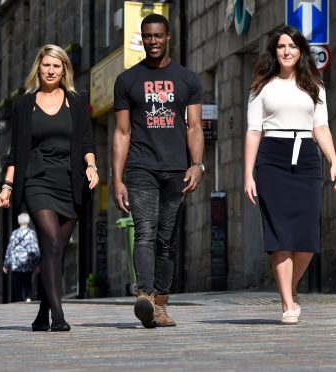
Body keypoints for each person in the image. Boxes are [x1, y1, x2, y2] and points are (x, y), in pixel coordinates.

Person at [244, 26, 336, 325]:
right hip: (272, 159)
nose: (287, 51)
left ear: (301, 51)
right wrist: (248, 174)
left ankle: (291, 286)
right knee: (280, 234)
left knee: (307, 237)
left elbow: (320, 126)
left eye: (292, 46)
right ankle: (288, 302)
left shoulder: (314, 85)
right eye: (281, 46)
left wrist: (333, 161)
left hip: (307, 159)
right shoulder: (262, 87)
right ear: (274, 51)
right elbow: (253, 131)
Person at [0, 44, 98, 332]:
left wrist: (91, 166)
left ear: (64, 69)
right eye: (46, 65)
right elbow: (16, 151)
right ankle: (58, 316)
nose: (51, 70)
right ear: (38, 68)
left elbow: (88, 143)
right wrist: (7, 185)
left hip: (71, 180)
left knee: (56, 252)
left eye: (57, 66)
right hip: (37, 179)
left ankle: (42, 313)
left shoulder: (77, 102)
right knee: (51, 242)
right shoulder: (23, 105)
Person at [112, 13, 204, 328]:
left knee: (167, 239)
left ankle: (160, 305)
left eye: (158, 36)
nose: (153, 41)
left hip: (177, 169)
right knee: (145, 232)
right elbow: (122, 134)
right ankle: (144, 295)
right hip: (141, 168)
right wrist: (117, 179)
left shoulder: (188, 79)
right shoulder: (127, 80)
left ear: (168, 37)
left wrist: (196, 164)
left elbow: (194, 126)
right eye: (148, 36)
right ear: (142, 38)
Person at [3, 213, 40, 302]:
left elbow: (10, 248)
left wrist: (6, 264)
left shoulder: (15, 233)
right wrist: (37, 263)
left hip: (16, 263)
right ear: (28, 221)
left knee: (17, 283)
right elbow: (35, 249)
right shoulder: (31, 233)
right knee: (27, 281)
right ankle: (27, 297)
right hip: (28, 262)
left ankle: (19, 300)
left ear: (19, 222)